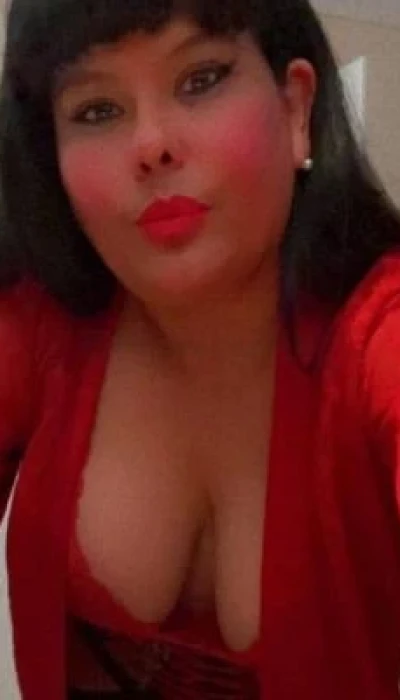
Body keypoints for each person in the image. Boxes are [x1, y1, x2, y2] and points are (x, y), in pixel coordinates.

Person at [1, 0, 400, 697]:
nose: (151, 144)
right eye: (97, 110)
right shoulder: (42, 322)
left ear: (296, 106)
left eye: (201, 78)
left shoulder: (378, 337)